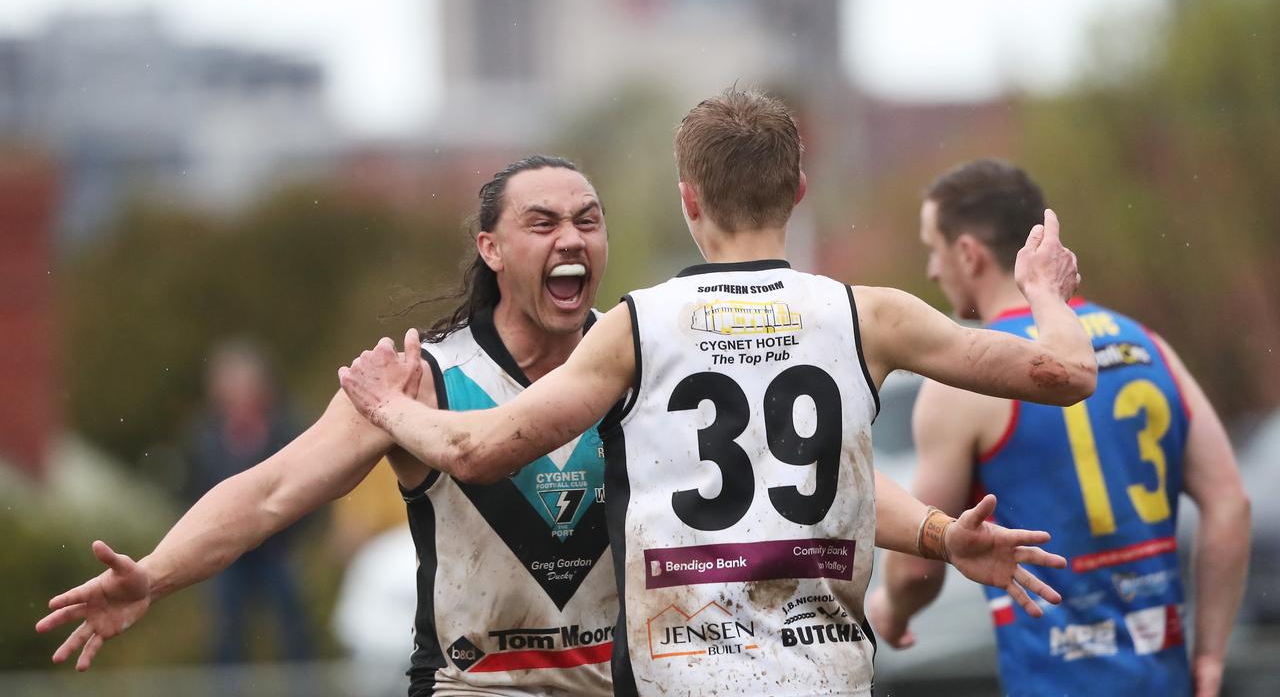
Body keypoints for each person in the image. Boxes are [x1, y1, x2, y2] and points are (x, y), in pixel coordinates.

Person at [336, 88, 1099, 696]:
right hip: (823, 678)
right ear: (799, 190)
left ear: (689, 200)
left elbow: (479, 449)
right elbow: (1067, 374)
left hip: (684, 678)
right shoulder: (869, 315)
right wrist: (1044, 293)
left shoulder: (641, 327)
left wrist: (389, 404)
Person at [37, 155, 619, 696]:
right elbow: (269, 492)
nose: (571, 237)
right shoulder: (415, 382)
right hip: (476, 688)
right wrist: (153, 575)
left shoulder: (641, 362)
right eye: (542, 223)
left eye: (587, 221)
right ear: (490, 248)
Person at [865, 159, 1251, 697]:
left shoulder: (965, 385)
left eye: (934, 248)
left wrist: (891, 610)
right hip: (1164, 680)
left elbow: (914, 570)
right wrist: (1208, 655)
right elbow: (1231, 503)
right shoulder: (1149, 346)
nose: (932, 270)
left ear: (969, 253)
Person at [187, 340, 311, 665]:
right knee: (226, 628)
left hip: (276, 547)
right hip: (227, 554)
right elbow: (195, 491)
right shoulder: (204, 437)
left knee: (293, 623)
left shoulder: (287, 429)